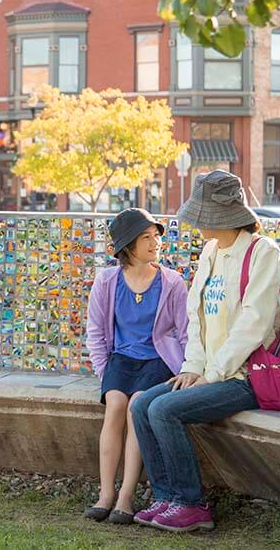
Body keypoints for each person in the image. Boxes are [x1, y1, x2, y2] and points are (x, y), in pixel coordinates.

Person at [130, 170, 280, 532]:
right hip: (208, 372)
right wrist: (192, 368)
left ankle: (192, 504)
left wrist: (211, 375)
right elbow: (196, 317)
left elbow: (254, 324)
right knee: (141, 405)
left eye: (202, 215)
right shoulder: (211, 252)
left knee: (166, 409)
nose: (197, 223)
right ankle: (167, 498)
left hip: (246, 376)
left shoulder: (263, 253)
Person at [84, 208, 189, 524]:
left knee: (135, 407)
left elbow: (185, 332)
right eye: (146, 237)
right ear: (128, 245)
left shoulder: (172, 282)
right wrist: (105, 374)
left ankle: (126, 498)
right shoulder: (107, 281)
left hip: (157, 361)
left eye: (156, 236)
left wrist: (187, 369)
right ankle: (106, 494)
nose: (154, 242)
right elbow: (96, 331)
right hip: (122, 361)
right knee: (115, 403)